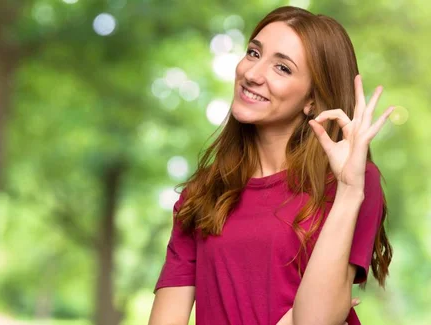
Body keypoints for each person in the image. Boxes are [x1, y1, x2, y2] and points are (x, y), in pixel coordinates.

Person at [149, 5, 394, 325]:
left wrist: (349, 190)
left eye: (282, 68)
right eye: (253, 53)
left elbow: (314, 321)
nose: (252, 74)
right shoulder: (202, 193)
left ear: (312, 100)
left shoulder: (351, 182)